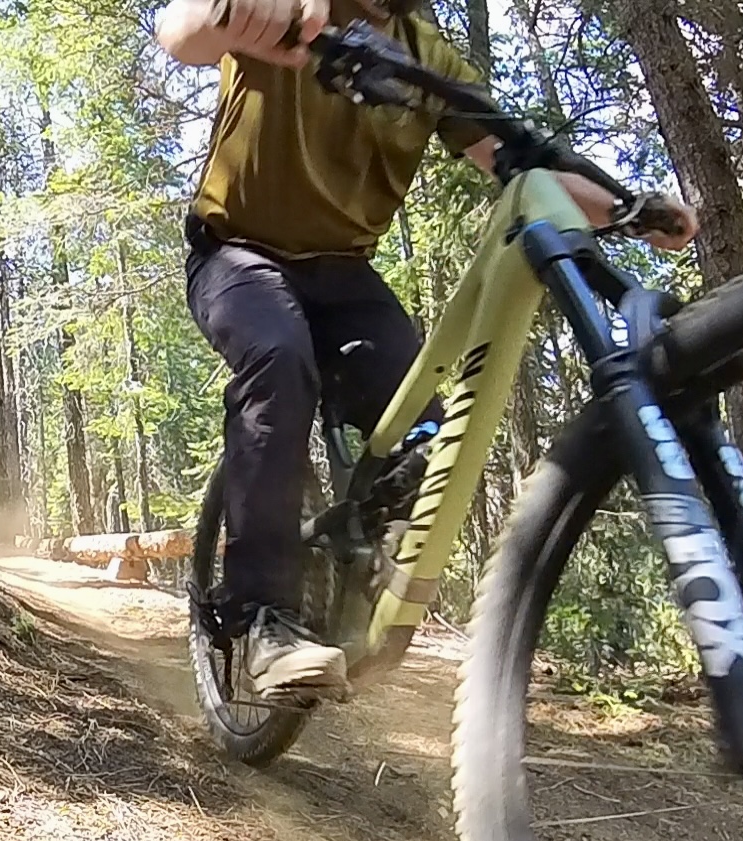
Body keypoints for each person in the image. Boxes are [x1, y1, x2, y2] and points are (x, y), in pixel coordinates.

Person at [154, 0, 699, 704]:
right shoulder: (303, 9)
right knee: (281, 364)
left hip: (345, 274)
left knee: (428, 438)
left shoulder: (427, 55)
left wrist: (627, 209)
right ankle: (262, 616)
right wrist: (235, 10)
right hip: (237, 254)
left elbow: (515, 155)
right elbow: (182, 34)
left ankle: (353, 575)